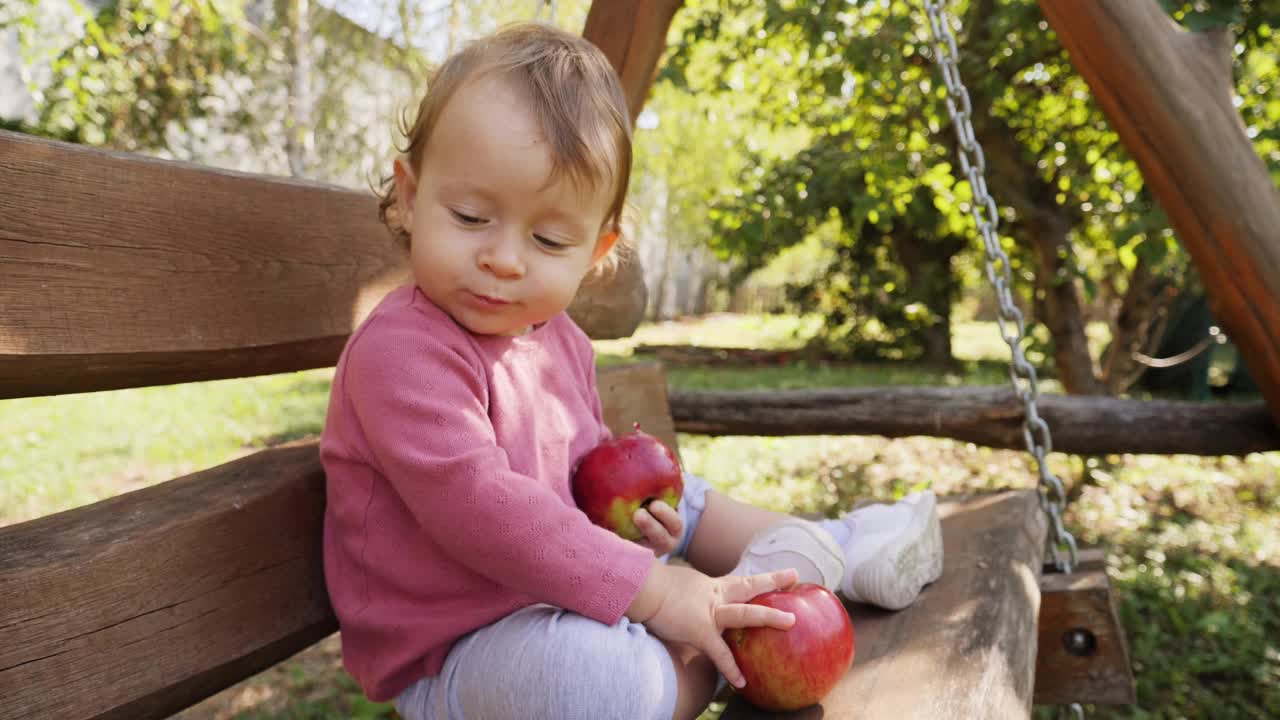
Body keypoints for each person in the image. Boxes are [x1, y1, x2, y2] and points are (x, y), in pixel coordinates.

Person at [320, 22, 943, 720]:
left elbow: (585, 480)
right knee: (589, 683)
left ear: (596, 251)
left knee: (682, 500)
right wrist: (654, 590)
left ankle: (818, 549)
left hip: (561, 594)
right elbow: (483, 510)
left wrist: (640, 533)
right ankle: (727, 631)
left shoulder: (559, 340)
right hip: (458, 654)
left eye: (549, 239)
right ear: (409, 197)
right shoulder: (400, 354)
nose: (504, 258)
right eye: (469, 217)